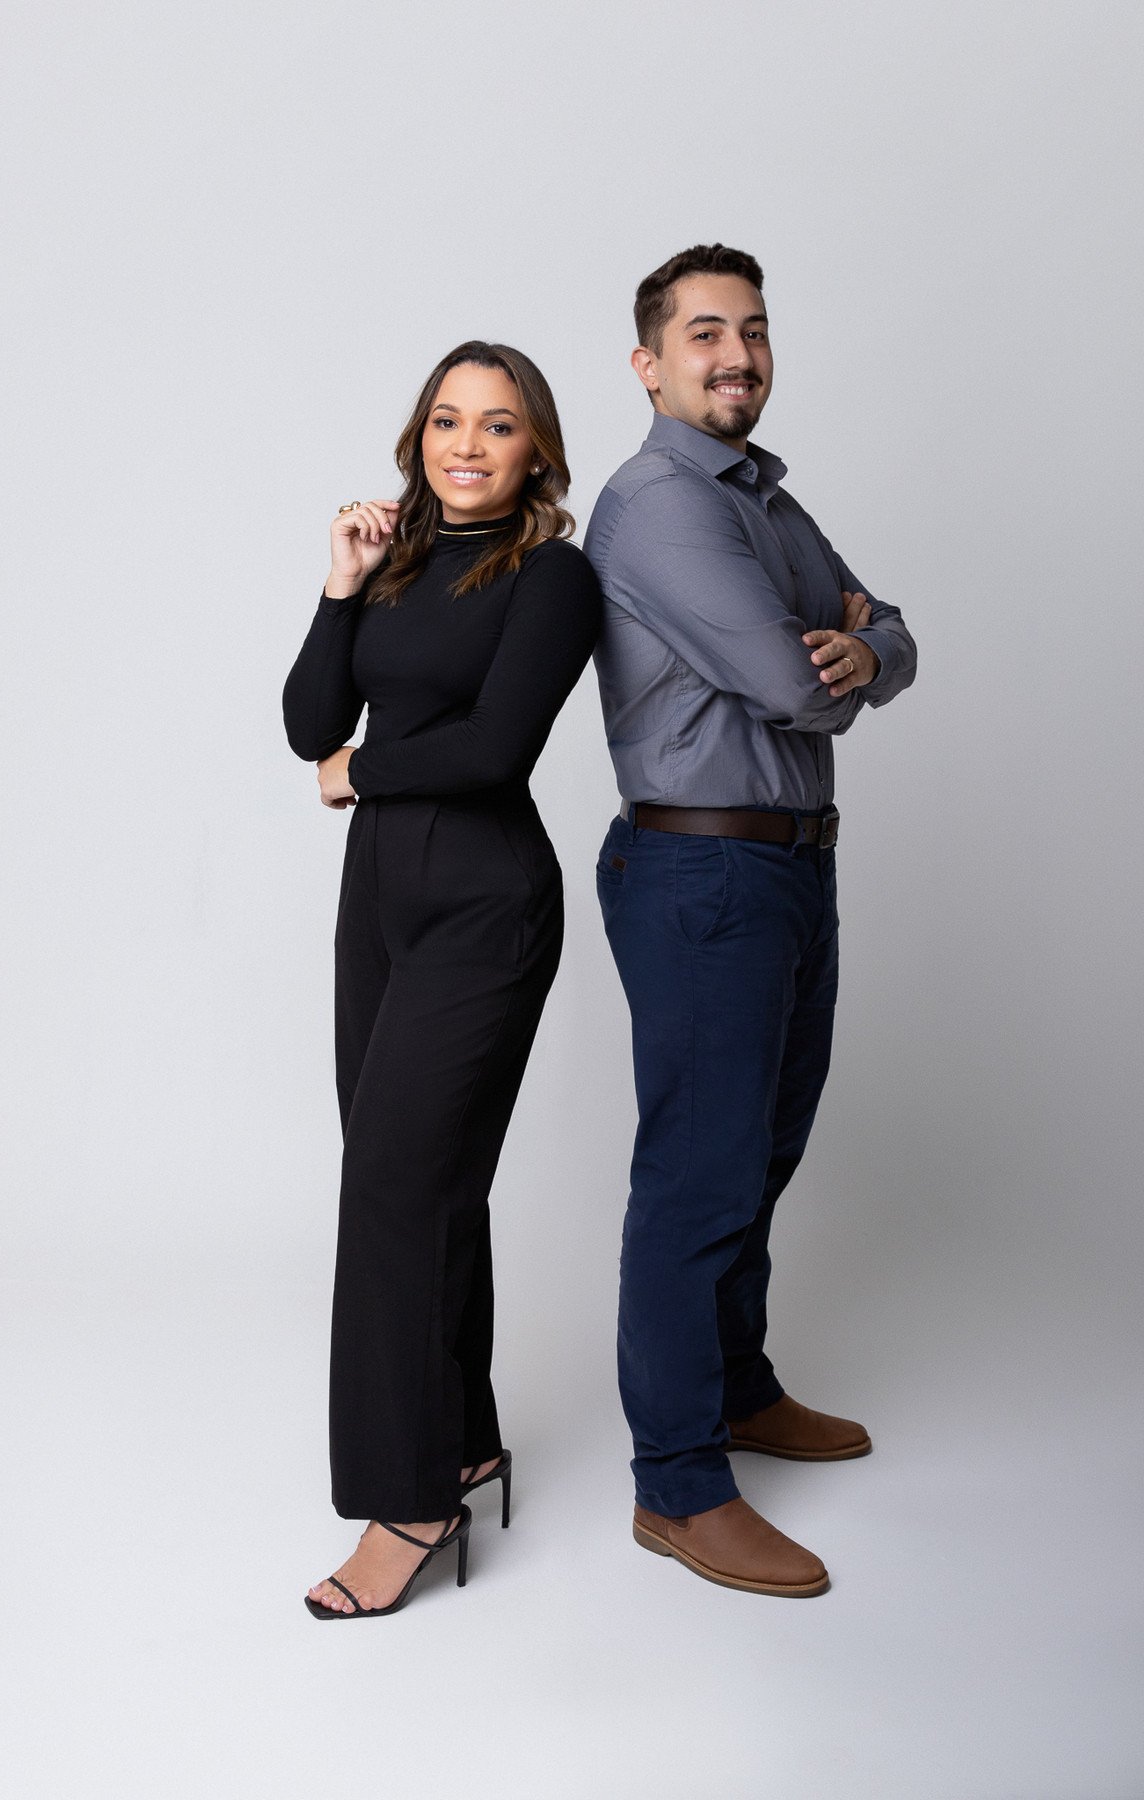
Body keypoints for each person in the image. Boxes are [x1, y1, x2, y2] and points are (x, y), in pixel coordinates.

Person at [585, 244, 917, 1597]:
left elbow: (888, 632)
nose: (738, 355)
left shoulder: (760, 496)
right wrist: (839, 655)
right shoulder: (661, 505)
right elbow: (798, 686)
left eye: (756, 331)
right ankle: (676, 1485)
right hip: (701, 873)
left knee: (763, 1150)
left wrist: (870, 645)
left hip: (787, 867)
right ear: (650, 363)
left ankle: (734, 1386)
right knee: (699, 1173)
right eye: (707, 333)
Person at [284, 341, 601, 1618]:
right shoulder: (397, 563)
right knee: (421, 1179)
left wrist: (363, 773)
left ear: (537, 449)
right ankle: (461, 1435)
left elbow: (491, 748)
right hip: (379, 898)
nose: (468, 445)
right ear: (419, 437)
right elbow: (309, 724)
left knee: (393, 1187)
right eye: (448, 422)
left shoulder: (555, 577)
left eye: (499, 425)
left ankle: (409, 1500)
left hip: (483, 899)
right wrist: (341, 586)